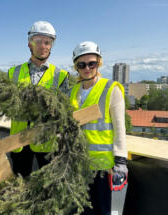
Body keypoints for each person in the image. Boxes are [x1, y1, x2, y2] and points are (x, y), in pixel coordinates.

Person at [69, 41, 128, 215]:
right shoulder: (74, 91)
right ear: (76, 67)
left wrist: (121, 161)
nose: (87, 68)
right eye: (82, 64)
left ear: (98, 63)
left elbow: (120, 127)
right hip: (80, 166)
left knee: (106, 211)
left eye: (91, 63)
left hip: (105, 168)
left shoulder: (111, 89)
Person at [8, 21, 69, 177]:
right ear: (30, 43)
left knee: (46, 191)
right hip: (19, 142)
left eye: (47, 42)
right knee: (19, 189)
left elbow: (63, 111)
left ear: (51, 45)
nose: (43, 46)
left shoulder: (61, 76)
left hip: (46, 144)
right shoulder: (13, 73)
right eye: (38, 41)